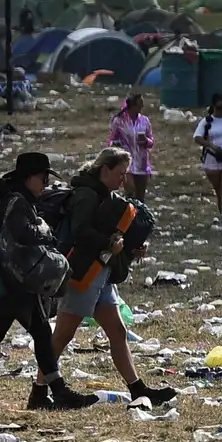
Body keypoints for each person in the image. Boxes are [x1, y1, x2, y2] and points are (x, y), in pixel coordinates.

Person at [0, 151, 83, 414]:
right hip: (12, 281)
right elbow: (23, 233)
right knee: (33, 334)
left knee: (1, 336)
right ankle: (56, 392)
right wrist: (44, 229)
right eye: (43, 178)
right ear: (29, 177)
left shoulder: (13, 198)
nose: (46, 183)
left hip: (6, 280)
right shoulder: (16, 201)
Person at [48, 147, 175, 406]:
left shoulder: (107, 196)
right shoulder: (86, 195)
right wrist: (109, 243)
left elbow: (110, 232)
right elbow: (81, 232)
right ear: (105, 169)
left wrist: (131, 249)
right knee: (63, 335)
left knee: (117, 331)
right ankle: (39, 390)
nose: (123, 179)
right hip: (83, 275)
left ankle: (137, 388)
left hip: (101, 274)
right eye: (120, 173)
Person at [106, 90, 158, 195]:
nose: (142, 107)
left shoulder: (145, 120)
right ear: (132, 105)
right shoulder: (119, 121)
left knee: (140, 196)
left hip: (142, 163)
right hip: (127, 162)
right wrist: (116, 145)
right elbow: (111, 140)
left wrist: (146, 141)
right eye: (139, 104)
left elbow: (151, 141)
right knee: (130, 192)